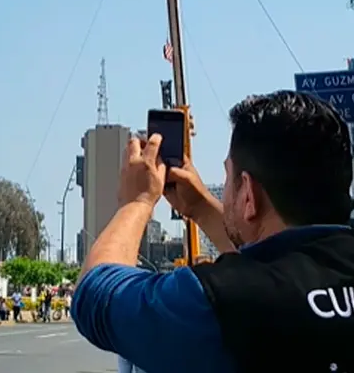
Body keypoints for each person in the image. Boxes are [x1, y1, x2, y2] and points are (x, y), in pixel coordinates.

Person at [72, 90, 354, 373]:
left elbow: (94, 296)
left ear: (248, 195)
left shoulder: (220, 303)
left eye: (228, 176)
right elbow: (280, 269)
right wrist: (201, 208)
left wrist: (137, 201)